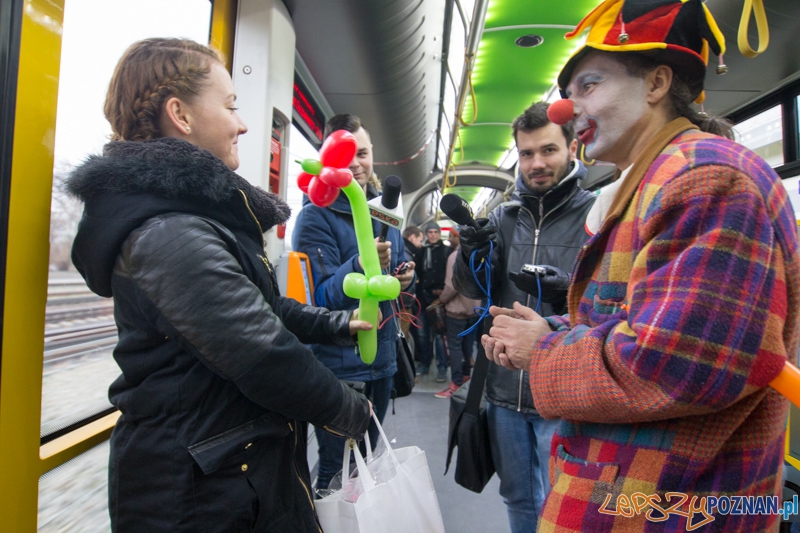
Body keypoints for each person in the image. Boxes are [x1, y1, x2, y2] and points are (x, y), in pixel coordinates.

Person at [480, 1, 800, 531]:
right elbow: (644, 318)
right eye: (567, 94)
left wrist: (545, 350)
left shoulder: (706, 179)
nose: (566, 110)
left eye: (587, 85)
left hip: (672, 505)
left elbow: (681, 364)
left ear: (656, 82)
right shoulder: (657, 177)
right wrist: (551, 328)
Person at [65, 38, 372, 532]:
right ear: (180, 115)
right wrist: (348, 410)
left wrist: (338, 323)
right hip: (195, 491)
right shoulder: (169, 235)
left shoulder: (191, 219)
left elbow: (260, 308)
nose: (242, 122)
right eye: (230, 105)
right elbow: (261, 350)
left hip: (224, 465)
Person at [452, 101, 595, 531]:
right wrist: (472, 250)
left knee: (564, 502)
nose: (536, 163)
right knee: (517, 495)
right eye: (527, 153)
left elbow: (607, 300)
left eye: (548, 150)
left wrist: (566, 287)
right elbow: (471, 287)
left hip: (561, 387)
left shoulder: (595, 215)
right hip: (503, 385)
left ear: (572, 148)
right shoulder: (502, 217)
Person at [292, 114, 415, 492]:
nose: (356, 164)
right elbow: (322, 297)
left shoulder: (383, 211)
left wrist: (404, 275)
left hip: (381, 360)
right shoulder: (315, 218)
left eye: (362, 153)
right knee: (336, 469)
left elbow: (401, 265)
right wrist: (361, 264)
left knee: (363, 466)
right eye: (345, 156)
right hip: (340, 367)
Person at [434, 230, 482, 399]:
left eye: (451, 236)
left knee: (454, 346)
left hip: (457, 310)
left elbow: (452, 286)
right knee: (467, 346)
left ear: (459, 237)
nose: (449, 239)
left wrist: (441, 300)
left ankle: (455, 383)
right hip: (474, 309)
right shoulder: (477, 254)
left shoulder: (455, 257)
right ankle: (466, 377)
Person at [418, 221, 453, 382]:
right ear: (426, 234)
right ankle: (425, 363)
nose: (432, 235)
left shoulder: (447, 251)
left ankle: (442, 368)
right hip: (423, 298)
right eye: (429, 232)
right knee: (423, 334)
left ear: (439, 234)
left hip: (439, 299)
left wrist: (443, 294)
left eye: (435, 232)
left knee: (440, 336)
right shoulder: (421, 251)